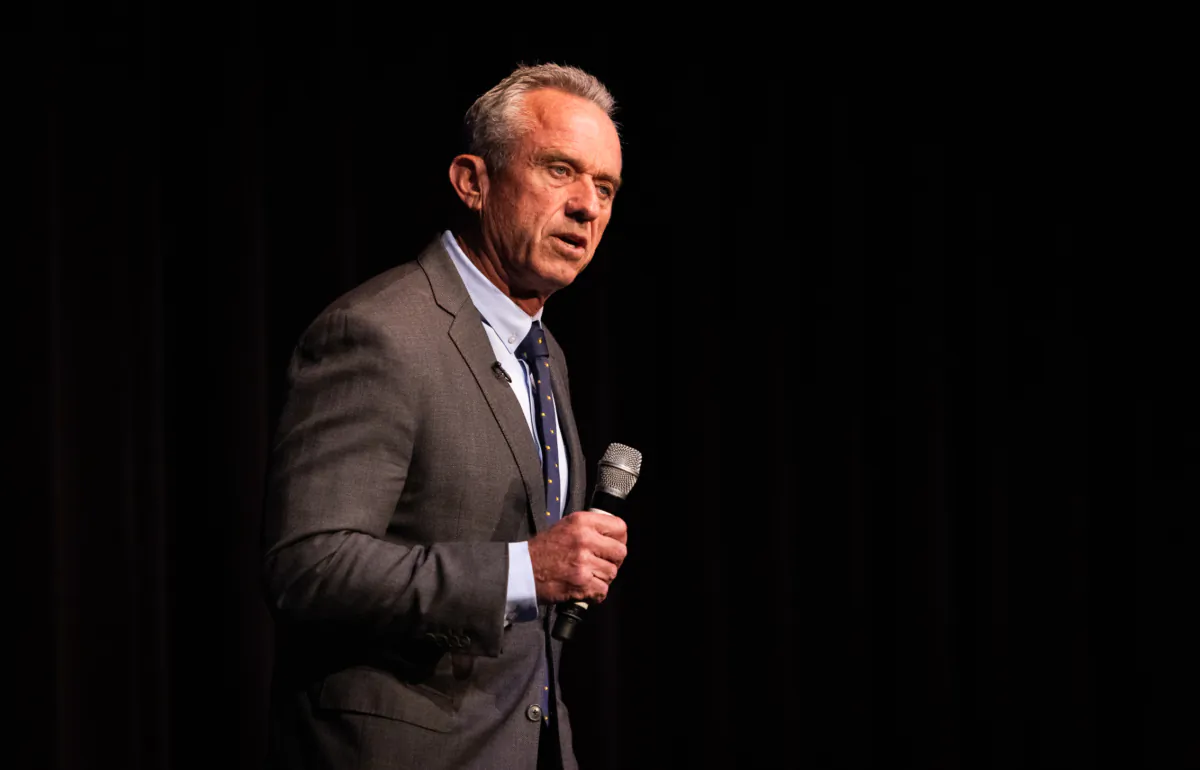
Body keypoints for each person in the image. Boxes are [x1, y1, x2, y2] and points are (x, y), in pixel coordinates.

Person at [260, 63, 628, 770]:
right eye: (559, 170)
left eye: (605, 187)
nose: (587, 206)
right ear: (472, 181)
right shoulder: (380, 333)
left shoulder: (545, 352)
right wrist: (522, 570)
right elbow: (307, 567)